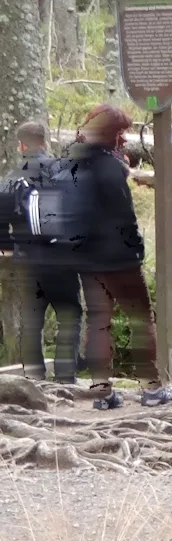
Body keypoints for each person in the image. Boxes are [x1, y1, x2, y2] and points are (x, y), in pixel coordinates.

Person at [65, 103, 172, 411]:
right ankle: (152, 389)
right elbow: (123, 216)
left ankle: (101, 392)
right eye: (120, 132)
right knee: (141, 319)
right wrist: (136, 249)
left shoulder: (71, 162)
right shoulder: (110, 168)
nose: (124, 139)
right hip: (119, 259)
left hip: (87, 258)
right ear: (109, 134)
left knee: (98, 322)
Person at [0, 121, 83, 382]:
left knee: (31, 322)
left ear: (21, 145)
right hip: (63, 259)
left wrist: (8, 246)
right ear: (44, 142)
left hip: (28, 261)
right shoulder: (64, 170)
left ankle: (35, 381)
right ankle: (66, 379)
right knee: (69, 315)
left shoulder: (11, 177)